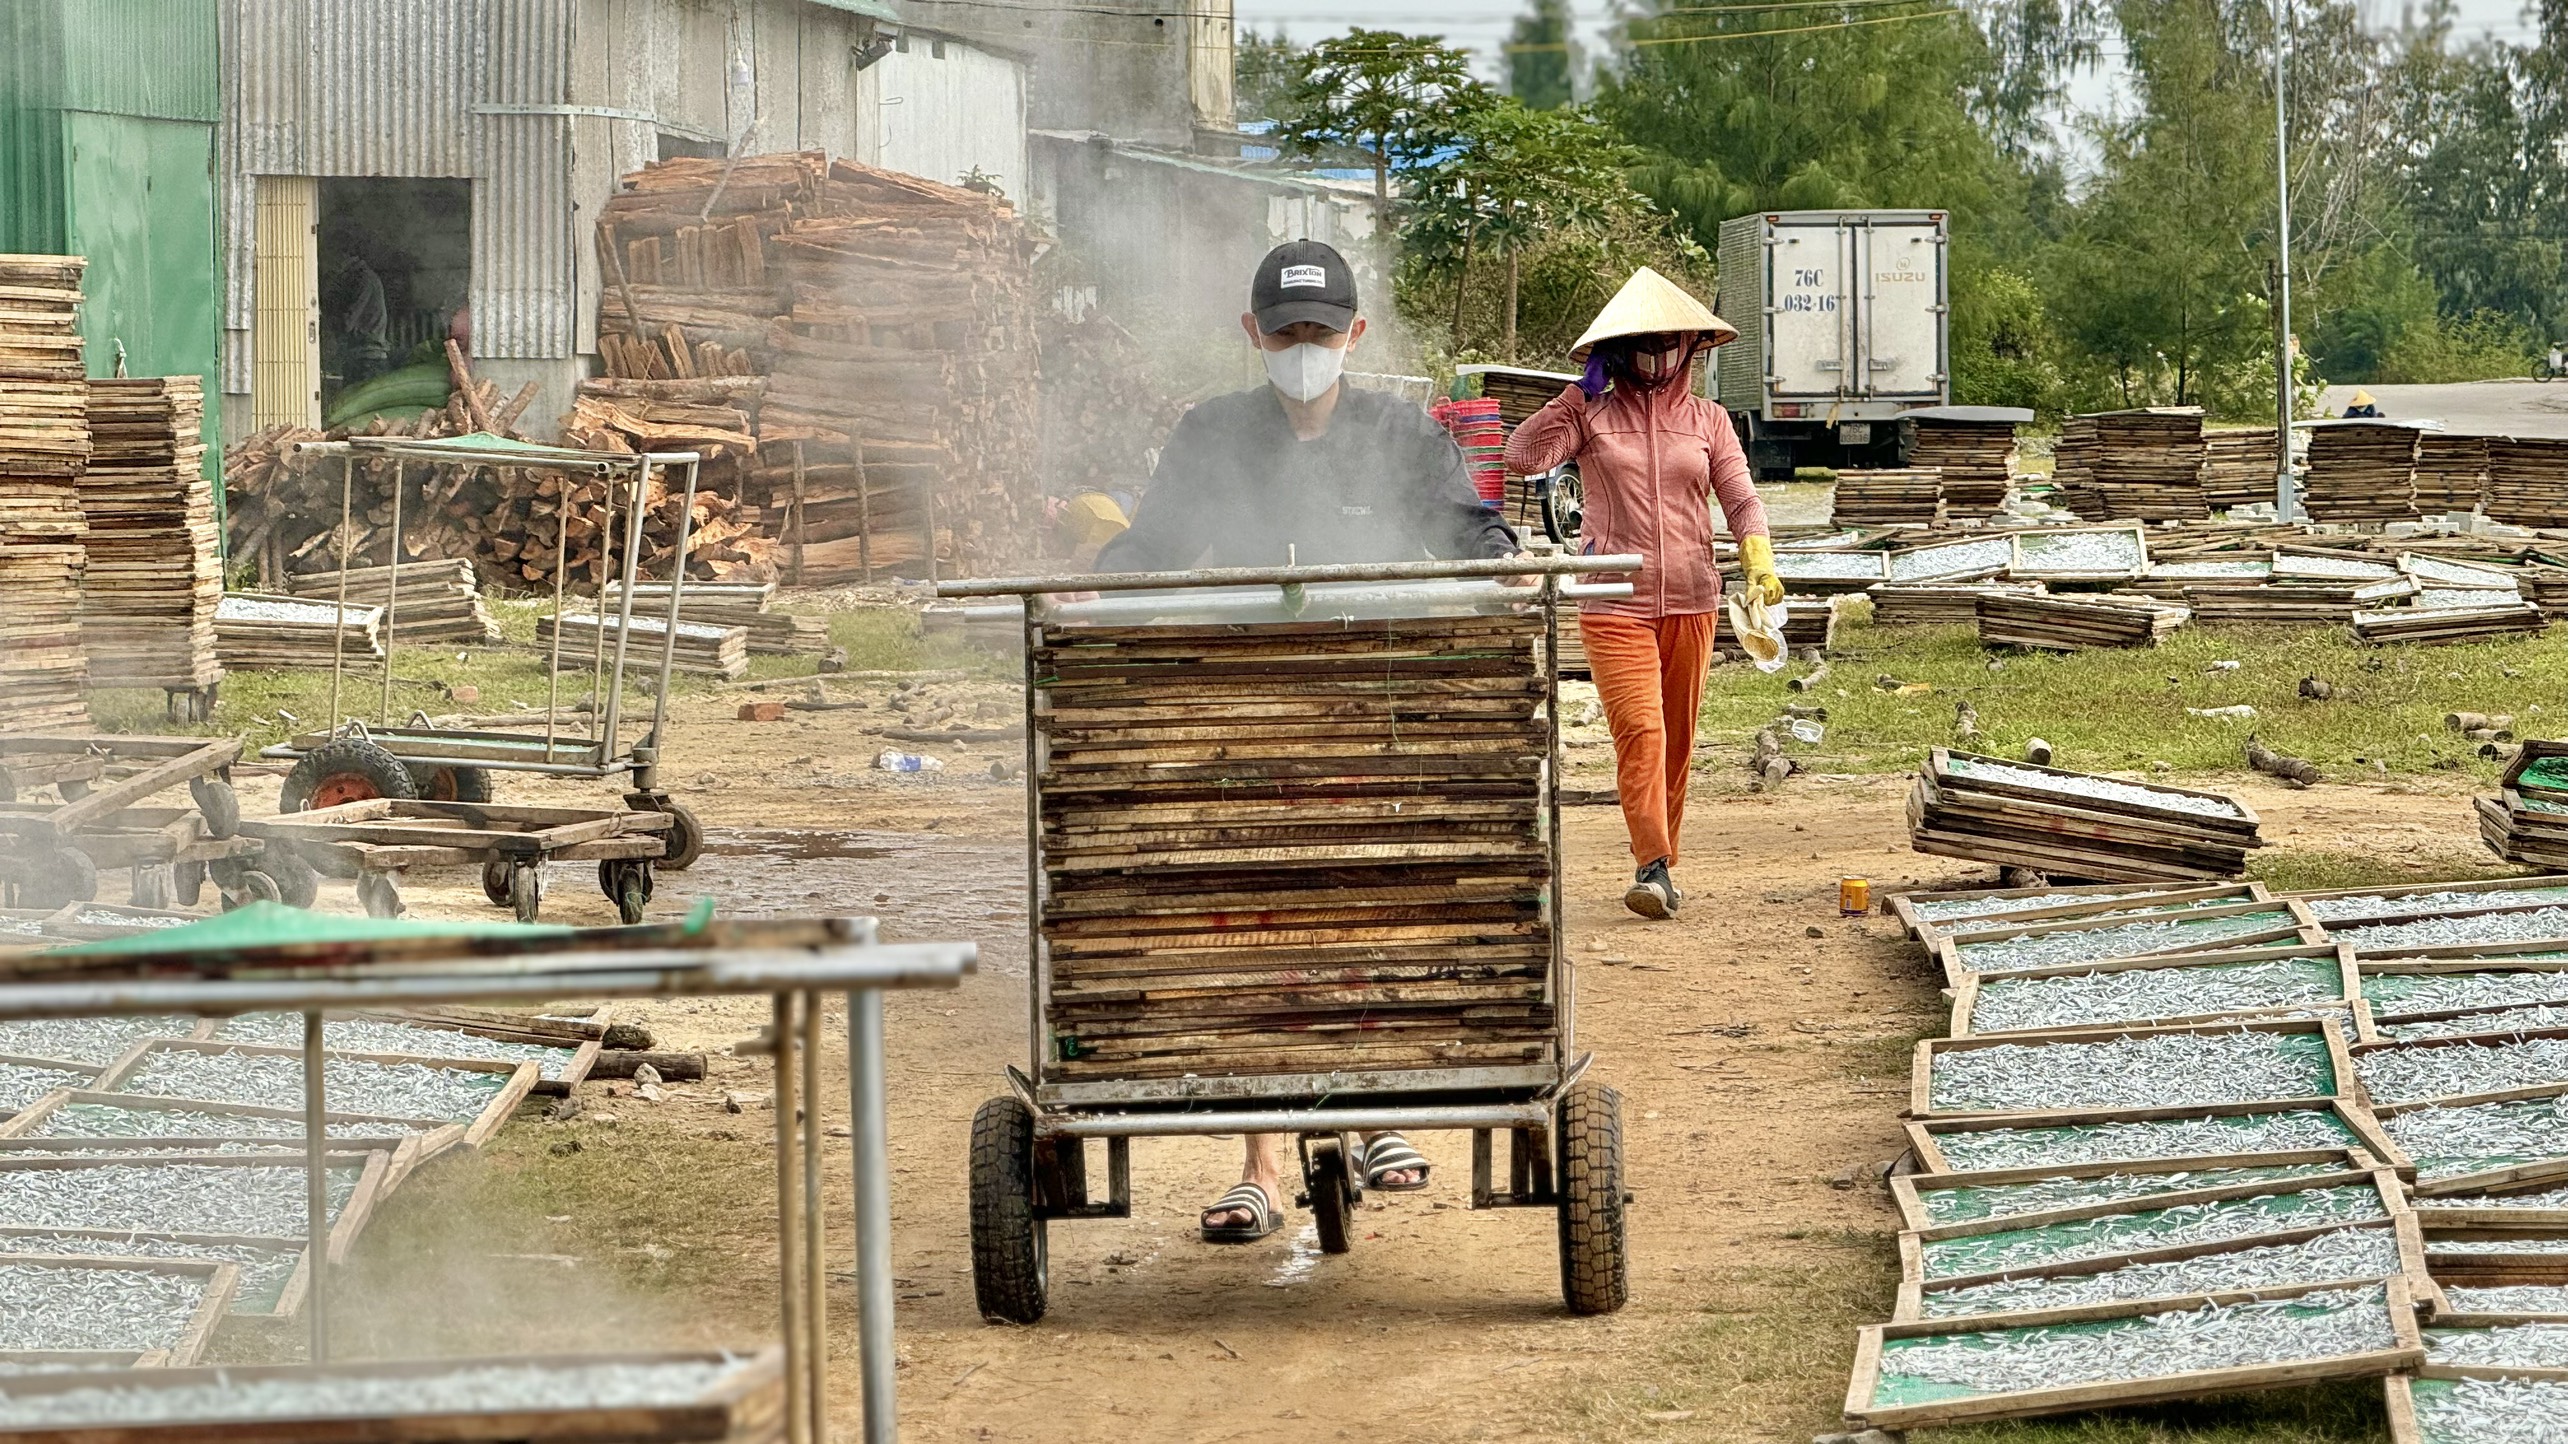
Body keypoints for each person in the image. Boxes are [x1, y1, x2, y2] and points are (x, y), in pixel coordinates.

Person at [1098, 240, 1519, 1244]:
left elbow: (1466, 530)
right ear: (1253, 334)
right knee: (1257, 920)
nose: (1302, 349)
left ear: (1354, 335)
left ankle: (1372, 1115)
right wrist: (1097, 582)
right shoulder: (1211, 434)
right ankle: (1260, 1164)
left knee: (1365, 896)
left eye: (1320, 333)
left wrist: (1504, 564)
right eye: (1284, 333)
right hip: (1243, 712)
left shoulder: (1401, 433)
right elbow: (1154, 547)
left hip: (1369, 708)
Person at [1503, 267, 1780, 920]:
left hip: (1693, 601)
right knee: (1642, 731)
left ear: (1689, 345)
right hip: (1612, 599)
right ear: (1619, 349)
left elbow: (1740, 498)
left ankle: (1662, 869)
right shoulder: (1590, 411)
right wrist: (1582, 390)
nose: (1656, 354)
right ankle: (1650, 862)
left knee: (1678, 741)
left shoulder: (1709, 421)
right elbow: (1521, 456)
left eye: (1668, 341)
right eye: (1642, 342)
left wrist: (1760, 562)